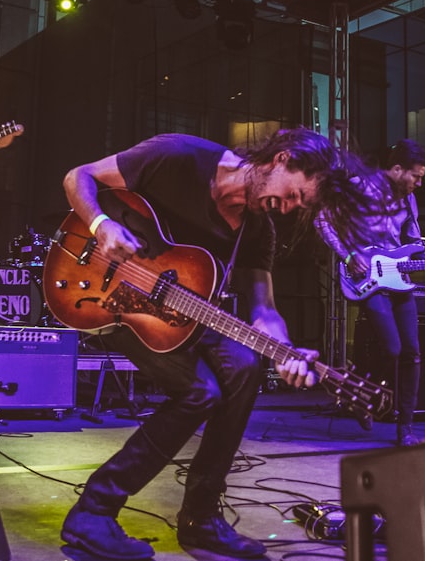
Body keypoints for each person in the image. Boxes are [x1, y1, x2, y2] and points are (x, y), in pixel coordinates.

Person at [57, 129, 359, 561]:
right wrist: (101, 225)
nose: (289, 207)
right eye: (295, 193)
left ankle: (200, 519)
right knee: (201, 391)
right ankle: (94, 512)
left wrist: (287, 350)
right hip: (113, 296)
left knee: (245, 366)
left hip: (186, 317)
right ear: (281, 158)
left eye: (300, 206)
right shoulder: (178, 156)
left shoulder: (257, 230)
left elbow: (264, 311)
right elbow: (78, 176)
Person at [316, 139, 425, 447]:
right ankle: (359, 394)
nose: (419, 183)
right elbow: (323, 221)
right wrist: (349, 256)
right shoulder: (359, 187)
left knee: (412, 351)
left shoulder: (409, 201)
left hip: (399, 278)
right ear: (396, 169)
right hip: (365, 277)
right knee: (392, 348)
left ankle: (405, 428)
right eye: (416, 176)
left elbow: (414, 242)